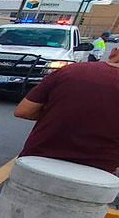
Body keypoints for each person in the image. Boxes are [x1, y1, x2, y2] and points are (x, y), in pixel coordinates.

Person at [14, 46, 119, 174]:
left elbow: (24, 111)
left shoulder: (71, 71)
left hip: (38, 160)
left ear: (114, 51)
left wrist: (58, 114)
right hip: (99, 173)